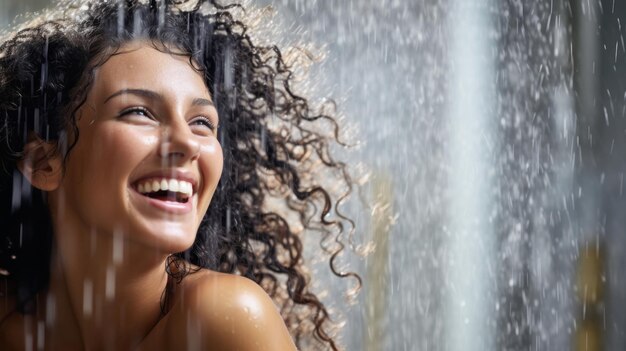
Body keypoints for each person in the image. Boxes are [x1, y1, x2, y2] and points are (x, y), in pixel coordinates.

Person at [0, 0, 357, 349]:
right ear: (44, 162)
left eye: (202, 122)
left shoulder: (223, 319)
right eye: (139, 112)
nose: (188, 143)